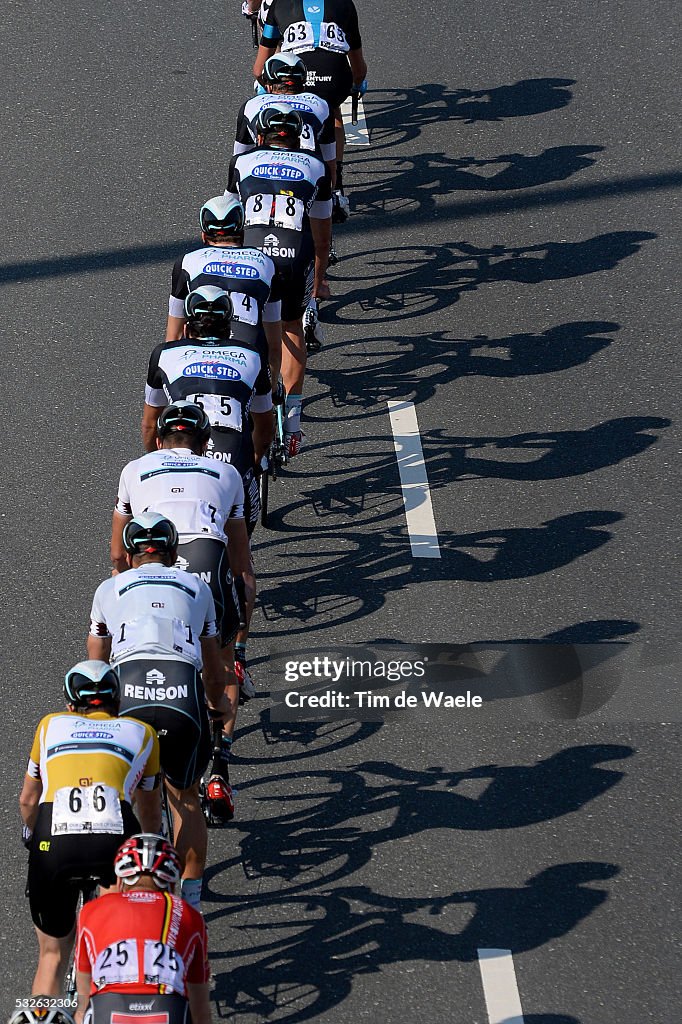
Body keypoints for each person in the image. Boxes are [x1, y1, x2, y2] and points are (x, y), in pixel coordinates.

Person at [110, 401, 254, 816]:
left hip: (151, 564)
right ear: (207, 444)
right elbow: (242, 563)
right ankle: (219, 768)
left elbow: (120, 556)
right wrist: (240, 622)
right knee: (220, 664)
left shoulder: (134, 469)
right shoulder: (226, 472)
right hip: (209, 556)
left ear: (158, 441)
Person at [86, 513, 229, 906]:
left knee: (132, 795)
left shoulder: (108, 589)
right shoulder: (196, 587)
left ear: (131, 556)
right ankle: (192, 901)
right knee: (185, 798)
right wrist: (216, 706)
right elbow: (214, 670)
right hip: (181, 694)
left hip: (129, 694)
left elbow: (95, 668)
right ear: (172, 553)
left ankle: (128, 894)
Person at [19, 661, 161, 996]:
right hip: (114, 840)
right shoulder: (142, 732)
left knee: (51, 954)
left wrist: (32, 836)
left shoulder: (50, 725)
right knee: (114, 943)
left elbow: (27, 800)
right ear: (118, 701)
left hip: (52, 840)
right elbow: (151, 816)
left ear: (70, 705)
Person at [225, 105, 332, 456]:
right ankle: (294, 424)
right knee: (290, 329)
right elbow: (321, 236)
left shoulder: (242, 164)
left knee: (242, 326)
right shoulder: (315, 167)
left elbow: (229, 219)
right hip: (292, 259)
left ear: (260, 136)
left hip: (253, 261)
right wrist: (319, 279)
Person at [142, 286, 273, 528]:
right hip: (235, 460)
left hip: (180, 457)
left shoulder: (163, 354)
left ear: (185, 327)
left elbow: (150, 425)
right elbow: (265, 430)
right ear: (230, 329)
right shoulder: (252, 355)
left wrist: (157, 463)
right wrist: (253, 463)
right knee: (240, 549)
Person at [74, 834, 210, 1024]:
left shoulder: (91, 910)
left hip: (108, 1008)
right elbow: (201, 1009)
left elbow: (83, 996)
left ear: (121, 879)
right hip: (167, 1010)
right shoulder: (188, 914)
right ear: (170, 883)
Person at [252, 0, 367, 204]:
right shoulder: (345, 4)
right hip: (334, 80)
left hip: (295, 78)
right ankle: (336, 182)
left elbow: (258, 70)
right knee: (333, 113)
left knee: (283, 109)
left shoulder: (279, 4)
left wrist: (266, 86)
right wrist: (357, 85)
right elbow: (358, 68)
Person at [165, 195, 282, 389]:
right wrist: (273, 384)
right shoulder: (265, 263)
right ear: (241, 231)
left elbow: (173, 337)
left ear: (204, 235)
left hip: (199, 356)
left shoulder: (187, 262)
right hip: (250, 352)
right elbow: (275, 345)